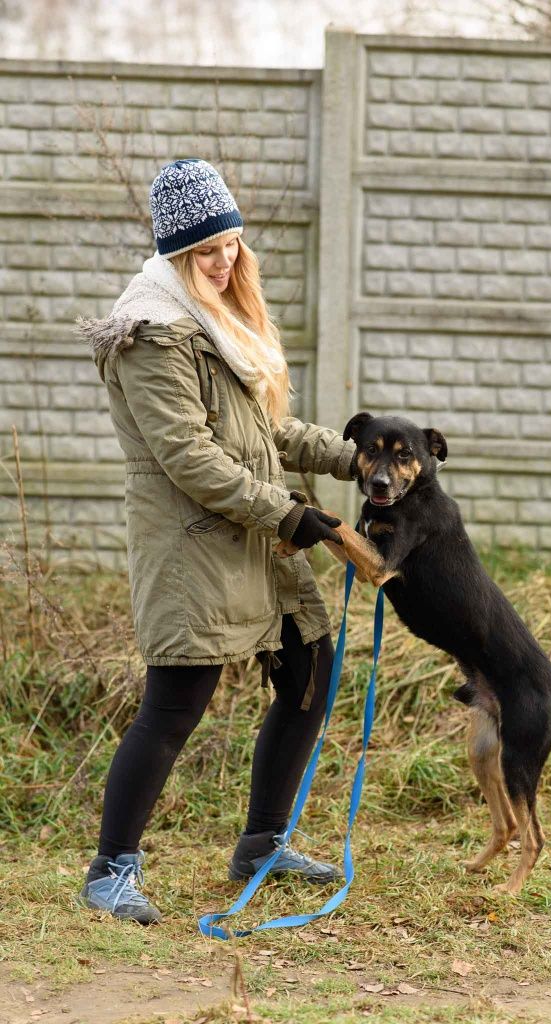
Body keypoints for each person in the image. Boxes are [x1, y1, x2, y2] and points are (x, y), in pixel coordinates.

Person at [76, 158, 357, 925]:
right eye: (207, 251)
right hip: (194, 546)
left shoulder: (217, 324)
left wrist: (352, 459)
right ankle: (111, 871)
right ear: (175, 255)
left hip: (255, 539)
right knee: (175, 705)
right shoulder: (152, 335)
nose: (225, 260)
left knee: (310, 670)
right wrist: (289, 516)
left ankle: (263, 842)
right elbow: (190, 458)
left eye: (231, 243)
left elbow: (265, 433)